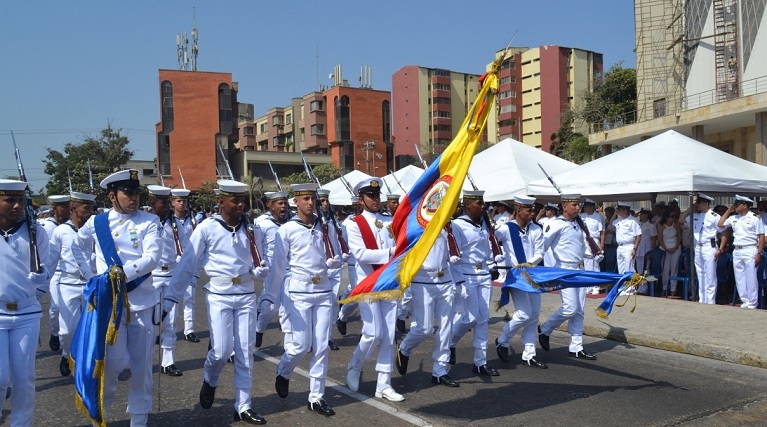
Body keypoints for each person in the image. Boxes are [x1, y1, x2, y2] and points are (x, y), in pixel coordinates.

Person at [168, 179, 267, 424]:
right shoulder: (206, 228)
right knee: (221, 351)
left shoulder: (253, 229)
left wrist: (260, 271)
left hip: (245, 294)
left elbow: (261, 260)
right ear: (221, 201)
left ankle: (243, 405)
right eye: (235, 200)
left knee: (245, 352)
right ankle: (210, 380)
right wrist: (171, 297)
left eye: (243, 199)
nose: (241, 204)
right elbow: (187, 264)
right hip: (219, 294)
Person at [77, 170, 161, 427]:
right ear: (112, 195)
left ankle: (139, 419)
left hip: (141, 302)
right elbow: (76, 247)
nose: (133, 198)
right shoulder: (96, 223)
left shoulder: (149, 221)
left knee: (141, 366)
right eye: (128, 193)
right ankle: (103, 414)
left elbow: (153, 257)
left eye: (136, 193)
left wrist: (121, 276)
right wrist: (91, 276)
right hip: (110, 306)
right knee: (110, 364)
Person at [270, 183, 341, 416]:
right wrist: (270, 297)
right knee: (300, 344)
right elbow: (278, 268)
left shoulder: (326, 226)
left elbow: (337, 253)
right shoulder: (287, 230)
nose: (311, 203)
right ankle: (284, 370)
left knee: (321, 346)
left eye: (313, 198)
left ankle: (316, 397)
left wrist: (335, 261)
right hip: (299, 292)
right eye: (306, 199)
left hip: (323, 292)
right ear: (296, 202)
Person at [344, 178, 402, 402]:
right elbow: (361, 254)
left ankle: (384, 384)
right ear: (361, 199)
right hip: (367, 283)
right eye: (371, 196)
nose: (376, 200)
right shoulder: (354, 223)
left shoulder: (388, 221)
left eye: (378, 196)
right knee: (373, 333)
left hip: (387, 281)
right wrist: (391, 253)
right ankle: (355, 365)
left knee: (388, 334)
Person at [0, 179, 51, 426]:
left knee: (24, 378)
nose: (17, 206)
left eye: (20, 200)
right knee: (0, 379)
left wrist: (40, 281)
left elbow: (47, 267)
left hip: (26, 314)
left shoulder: (36, 230)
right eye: (10, 200)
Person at [396, 222, 458, 387]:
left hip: (445, 280)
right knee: (425, 328)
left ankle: (440, 370)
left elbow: (453, 253)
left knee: (446, 327)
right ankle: (404, 348)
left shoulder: (448, 227)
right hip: (423, 281)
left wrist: (457, 278)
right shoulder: (416, 226)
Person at [538, 194, 597, 361]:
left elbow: (579, 247)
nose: (578, 208)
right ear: (564, 207)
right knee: (570, 308)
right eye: (574, 205)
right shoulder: (555, 224)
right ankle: (545, 328)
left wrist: (593, 255)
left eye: (578, 205)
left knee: (579, 310)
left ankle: (576, 347)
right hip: (564, 270)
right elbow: (542, 246)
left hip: (579, 269)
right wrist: (531, 264)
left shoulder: (577, 224)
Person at [448, 190, 501, 377]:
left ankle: (480, 362)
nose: (483, 206)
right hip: (467, 274)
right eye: (479, 203)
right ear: (468, 204)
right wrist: (459, 281)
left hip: (483, 274)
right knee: (469, 317)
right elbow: (453, 255)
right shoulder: (457, 225)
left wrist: (493, 264)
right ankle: (450, 343)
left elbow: (487, 249)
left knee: (483, 319)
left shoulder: (484, 224)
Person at [494, 195, 547, 368]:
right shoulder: (506, 229)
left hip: (532, 275)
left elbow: (540, 251)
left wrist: (530, 264)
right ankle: (503, 340)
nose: (532, 212)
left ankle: (529, 354)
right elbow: (491, 239)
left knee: (534, 316)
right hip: (516, 277)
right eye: (529, 210)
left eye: (533, 209)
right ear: (518, 211)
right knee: (524, 314)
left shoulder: (536, 228)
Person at [48, 191, 96, 377]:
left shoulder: (94, 229)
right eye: (86, 207)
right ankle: (66, 353)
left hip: (90, 284)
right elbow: (52, 259)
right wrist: (41, 283)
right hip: (68, 283)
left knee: (90, 326)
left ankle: (86, 359)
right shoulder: (61, 231)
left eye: (91, 207)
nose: (90, 211)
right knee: (67, 329)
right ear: (74, 208)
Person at [146, 185, 186, 377]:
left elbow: (185, 246)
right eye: (163, 202)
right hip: (150, 277)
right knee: (148, 321)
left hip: (171, 274)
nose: (167, 206)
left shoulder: (176, 224)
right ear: (153, 203)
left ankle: (168, 361)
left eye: (167, 202)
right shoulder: (145, 222)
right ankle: (145, 359)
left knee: (170, 321)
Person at [254, 190, 290, 348]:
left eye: (285, 203)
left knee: (290, 306)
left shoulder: (292, 223)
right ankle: (259, 328)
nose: (284, 207)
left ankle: (291, 344)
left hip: (290, 271)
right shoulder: (263, 224)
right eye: (280, 204)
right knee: (269, 308)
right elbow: (256, 247)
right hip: (272, 271)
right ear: (271, 206)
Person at [717, 195, 764, 309]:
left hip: (750, 249)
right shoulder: (734, 218)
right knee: (740, 277)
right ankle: (745, 300)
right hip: (737, 249)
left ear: (745, 205)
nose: (735, 206)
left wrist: (759, 253)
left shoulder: (755, 218)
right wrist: (729, 210)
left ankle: (752, 302)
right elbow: (720, 224)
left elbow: (761, 237)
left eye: (738, 204)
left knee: (751, 276)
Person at [679, 193, 722, 304]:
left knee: (710, 275)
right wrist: (690, 209)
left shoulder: (714, 216)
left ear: (705, 203)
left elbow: (724, 232)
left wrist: (720, 248)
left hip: (710, 246)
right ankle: (703, 300)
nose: (697, 205)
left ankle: (711, 301)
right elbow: (681, 220)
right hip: (698, 247)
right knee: (700, 274)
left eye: (698, 203)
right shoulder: (695, 216)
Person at [41, 194, 70, 352]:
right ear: (55, 208)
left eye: (68, 206)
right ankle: (54, 332)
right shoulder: (48, 226)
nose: (66, 210)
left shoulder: (72, 226)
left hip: (69, 272)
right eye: (63, 207)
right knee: (55, 308)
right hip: (55, 271)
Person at [580, 198, 605, 294]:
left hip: (594, 241)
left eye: (587, 206)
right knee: (587, 264)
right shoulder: (581, 216)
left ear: (592, 207)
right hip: (584, 242)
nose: (585, 208)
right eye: (585, 206)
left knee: (595, 265)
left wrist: (601, 246)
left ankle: (596, 286)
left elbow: (602, 232)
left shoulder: (598, 216)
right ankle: (588, 284)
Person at [612, 202, 642, 282]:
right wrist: (614, 214)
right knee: (621, 269)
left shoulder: (633, 221)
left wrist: (634, 248)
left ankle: (629, 288)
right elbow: (609, 227)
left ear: (624, 210)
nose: (617, 211)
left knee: (629, 268)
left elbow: (638, 235)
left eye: (619, 209)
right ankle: (622, 287)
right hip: (619, 247)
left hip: (629, 246)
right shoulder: (618, 220)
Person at [657, 206, 682, 296]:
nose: (673, 218)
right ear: (666, 216)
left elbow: (679, 237)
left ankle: (673, 289)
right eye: (671, 216)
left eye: (674, 216)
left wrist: (675, 247)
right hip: (664, 248)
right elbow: (660, 238)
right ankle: (664, 287)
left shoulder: (676, 224)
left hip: (675, 247)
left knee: (674, 268)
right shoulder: (661, 225)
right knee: (665, 269)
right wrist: (666, 248)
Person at [635, 208, 657, 293]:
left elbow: (653, 239)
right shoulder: (639, 224)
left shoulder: (651, 225)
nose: (640, 215)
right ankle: (640, 286)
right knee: (639, 269)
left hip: (646, 248)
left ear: (646, 215)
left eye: (642, 214)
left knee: (646, 269)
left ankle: (645, 287)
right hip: (639, 248)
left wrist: (652, 251)